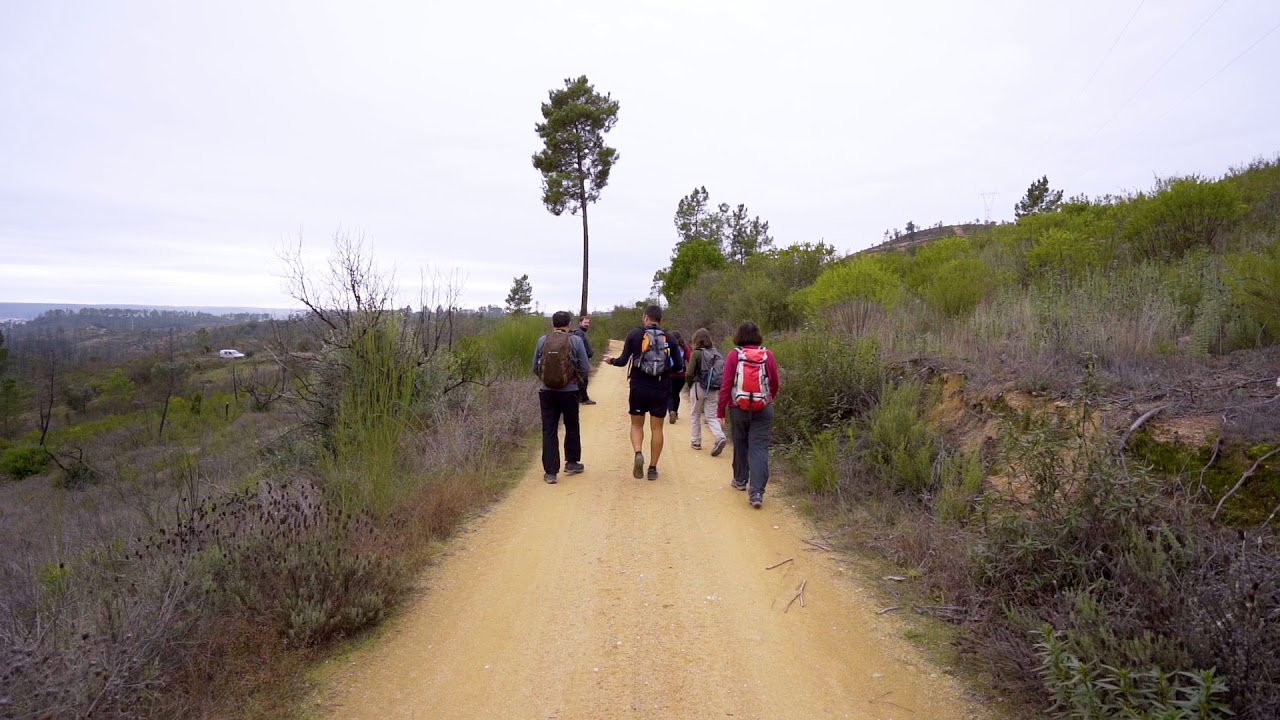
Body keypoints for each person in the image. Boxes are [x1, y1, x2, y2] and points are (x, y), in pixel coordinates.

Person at [603, 304, 684, 481]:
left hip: (639, 386)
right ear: (660, 320)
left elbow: (624, 361)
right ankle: (653, 468)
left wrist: (612, 361)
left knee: (636, 425)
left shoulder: (635, 334)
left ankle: (638, 453)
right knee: (657, 428)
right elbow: (679, 366)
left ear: (645, 318)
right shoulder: (669, 337)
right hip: (661, 387)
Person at [717, 321, 780, 508]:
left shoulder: (733, 356)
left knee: (740, 442)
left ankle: (740, 479)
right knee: (759, 447)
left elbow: (726, 385)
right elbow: (775, 382)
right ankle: (757, 493)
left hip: (738, 408)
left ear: (738, 337)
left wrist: (721, 411)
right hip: (763, 407)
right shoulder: (767, 355)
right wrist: (770, 398)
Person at [533, 311, 592, 484]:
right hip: (570, 391)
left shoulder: (542, 340)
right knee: (572, 425)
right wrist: (574, 381)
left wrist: (547, 380)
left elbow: (534, 367)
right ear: (569, 324)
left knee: (549, 429)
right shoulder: (575, 340)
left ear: (553, 324)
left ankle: (551, 472)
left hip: (547, 391)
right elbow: (585, 367)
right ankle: (572, 462)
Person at [685, 328, 727, 456]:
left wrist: (690, 385)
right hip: (713, 388)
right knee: (711, 415)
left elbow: (690, 373)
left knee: (695, 414)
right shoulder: (717, 353)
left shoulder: (696, 353)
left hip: (698, 387)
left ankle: (696, 441)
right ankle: (720, 436)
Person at [571, 315, 596, 405]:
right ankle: (584, 399)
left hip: (582, 360)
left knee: (582, 380)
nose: (587, 324)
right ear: (580, 323)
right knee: (583, 380)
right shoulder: (579, 333)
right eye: (585, 322)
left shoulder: (580, 332)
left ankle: (581, 398)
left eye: (588, 323)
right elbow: (579, 347)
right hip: (581, 361)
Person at [667, 330, 690, 423]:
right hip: (681, 376)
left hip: (669, 374)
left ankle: (671, 411)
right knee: (676, 394)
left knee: (669, 394)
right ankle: (675, 412)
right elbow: (690, 359)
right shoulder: (684, 348)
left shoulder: (668, 346)